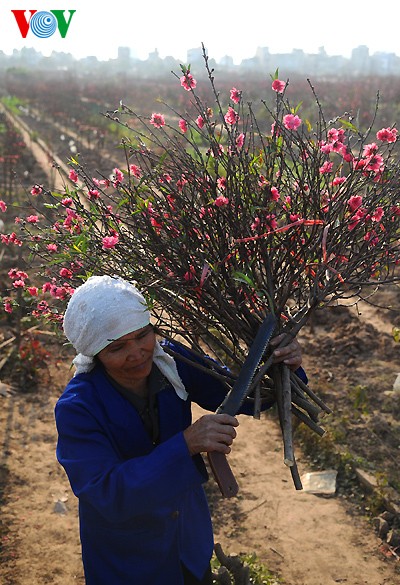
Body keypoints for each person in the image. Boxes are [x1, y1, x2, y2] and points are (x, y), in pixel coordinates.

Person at [55, 274, 305, 585]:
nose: (137, 352)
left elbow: (243, 396)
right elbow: (107, 493)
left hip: (187, 542)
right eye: (117, 348)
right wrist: (184, 444)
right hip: (128, 559)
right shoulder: (78, 407)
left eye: (143, 335)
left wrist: (285, 366)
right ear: (95, 354)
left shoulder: (171, 362)